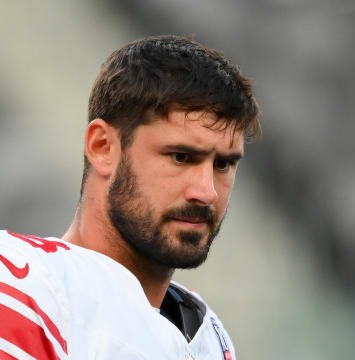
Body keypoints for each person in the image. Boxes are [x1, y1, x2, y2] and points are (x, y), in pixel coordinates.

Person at [0, 35, 260, 359]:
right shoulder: (23, 286)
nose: (206, 192)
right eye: (180, 156)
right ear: (102, 147)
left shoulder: (212, 339)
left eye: (223, 164)